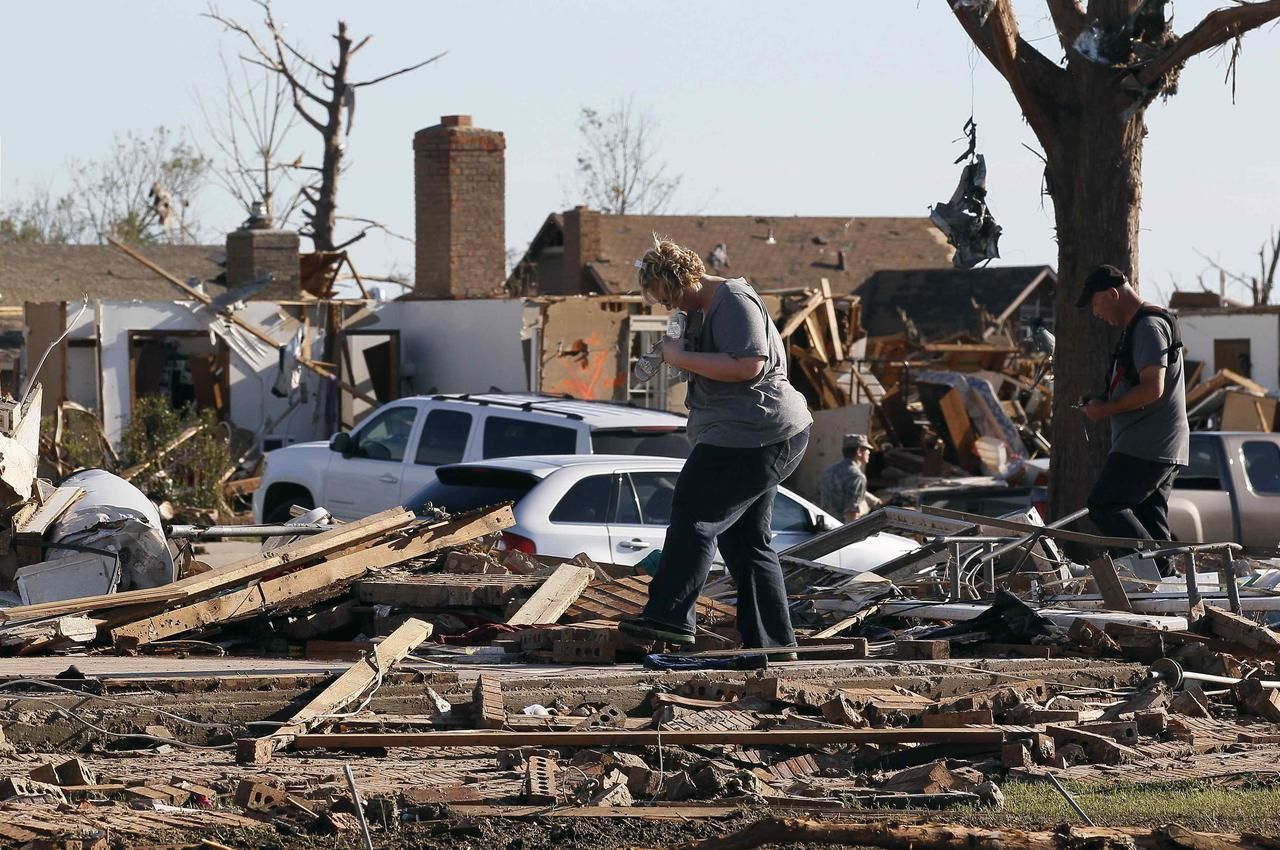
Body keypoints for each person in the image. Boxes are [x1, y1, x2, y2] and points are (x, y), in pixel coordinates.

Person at [619, 238, 813, 653]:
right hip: (756, 434)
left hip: (753, 434)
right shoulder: (706, 308)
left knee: (694, 515)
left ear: (682, 280)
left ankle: (668, 617)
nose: (673, 307)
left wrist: (679, 357)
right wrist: (680, 347)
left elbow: (748, 365)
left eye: (671, 298)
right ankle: (773, 645)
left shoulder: (733, 300)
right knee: (746, 543)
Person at [1078, 264, 1188, 573]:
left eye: (1095, 304)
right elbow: (1137, 384)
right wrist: (1100, 400)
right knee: (1149, 521)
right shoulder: (1139, 328)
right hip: (1159, 445)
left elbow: (1153, 388)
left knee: (1104, 504)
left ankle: (1146, 572)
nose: (1096, 314)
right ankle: (1167, 589)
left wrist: (1105, 410)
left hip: (1146, 444)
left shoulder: (1148, 326)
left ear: (1112, 294)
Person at [818, 433, 874, 522]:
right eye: (867, 449)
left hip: (824, 524)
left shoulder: (829, 471)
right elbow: (851, 513)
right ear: (859, 452)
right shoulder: (857, 477)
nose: (869, 452)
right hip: (840, 528)